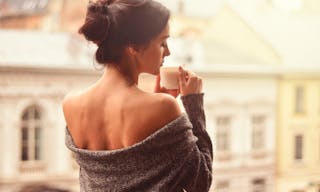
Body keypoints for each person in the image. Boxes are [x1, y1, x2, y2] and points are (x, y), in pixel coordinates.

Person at [62, 0, 213, 191]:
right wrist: (193, 103)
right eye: (162, 42)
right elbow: (201, 182)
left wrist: (157, 103)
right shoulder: (164, 107)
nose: (168, 52)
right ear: (134, 46)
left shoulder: (71, 104)